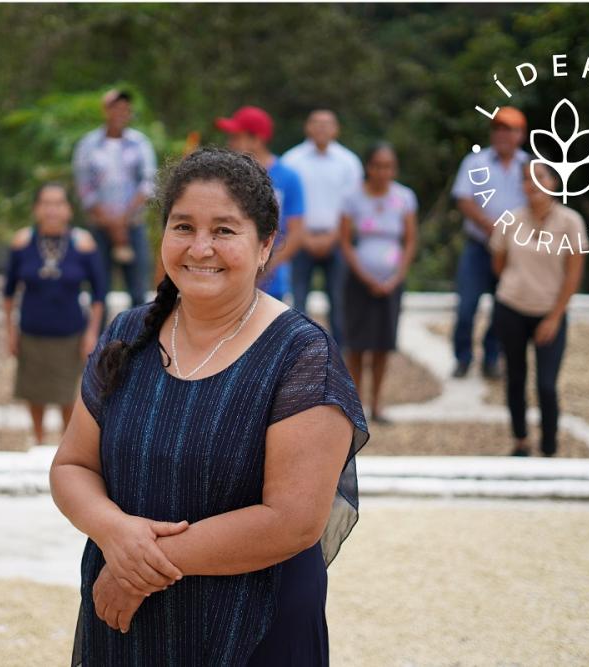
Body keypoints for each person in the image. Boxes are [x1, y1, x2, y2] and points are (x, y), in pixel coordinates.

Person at [50, 147, 368, 665]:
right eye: (183, 227)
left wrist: (138, 568)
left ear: (265, 245)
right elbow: (72, 465)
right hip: (128, 626)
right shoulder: (128, 334)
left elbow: (292, 521)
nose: (200, 248)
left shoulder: (302, 355)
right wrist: (114, 532)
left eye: (224, 230)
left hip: (252, 627)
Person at [490, 162, 587, 457]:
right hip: (511, 309)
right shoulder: (511, 221)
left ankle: (549, 445)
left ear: (555, 183)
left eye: (540, 177)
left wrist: (555, 316)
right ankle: (520, 440)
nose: (532, 184)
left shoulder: (571, 221)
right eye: (527, 179)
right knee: (515, 377)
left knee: (546, 384)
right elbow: (499, 263)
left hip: (550, 313)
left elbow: (573, 274)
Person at [3, 183, 107, 446]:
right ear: (36, 208)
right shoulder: (23, 241)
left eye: (58, 203)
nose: (52, 210)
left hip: (70, 332)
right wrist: (10, 332)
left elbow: (98, 294)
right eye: (46, 203)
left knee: (67, 394)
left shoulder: (82, 243)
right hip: (31, 330)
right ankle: (37, 440)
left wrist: (92, 333)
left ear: (69, 209)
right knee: (33, 390)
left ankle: (66, 446)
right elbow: (8, 292)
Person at [340, 143, 419, 424]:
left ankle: (378, 402)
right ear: (368, 167)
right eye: (378, 165)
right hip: (360, 279)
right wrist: (365, 276)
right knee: (358, 344)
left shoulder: (405, 197)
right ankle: (356, 402)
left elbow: (409, 240)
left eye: (388, 166)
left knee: (384, 344)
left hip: (391, 280)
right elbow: (346, 242)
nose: (383, 172)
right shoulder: (352, 197)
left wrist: (396, 277)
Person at [450, 106, 529, 378]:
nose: (502, 135)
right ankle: (462, 357)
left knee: (503, 307)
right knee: (466, 306)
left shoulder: (528, 165)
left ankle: (492, 357)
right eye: (498, 128)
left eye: (509, 129)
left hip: (512, 250)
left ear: (520, 134)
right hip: (478, 245)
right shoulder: (475, 162)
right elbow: (463, 199)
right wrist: (491, 226)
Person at [72, 89, 156, 318]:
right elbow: (84, 187)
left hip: (133, 224)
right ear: (105, 110)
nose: (120, 113)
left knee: (138, 289)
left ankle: (138, 341)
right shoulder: (88, 145)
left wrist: (123, 219)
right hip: (99, 225)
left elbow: (148, 183)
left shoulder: (139, 143)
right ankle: (98, 343)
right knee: (99, 287)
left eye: (125, 109)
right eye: (115, 108)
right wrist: (110, 222)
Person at [282, 109, 363, 343]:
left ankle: (339, 354)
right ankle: (298, 350)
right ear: (307, 127)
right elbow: (284, 204)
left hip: (337, 240)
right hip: (299, 240)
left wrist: (335, 236)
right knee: (298, 300)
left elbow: (355, 205)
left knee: (338, 301)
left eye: (327, 124)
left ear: (336, 129)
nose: (321, 128)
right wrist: (303, 237)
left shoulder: (349, 162)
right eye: (316, 123)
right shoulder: (292, 160)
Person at [216, 105, 304, 302]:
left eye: (236, 137)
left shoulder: (288, 177)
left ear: (256, 139)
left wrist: (266, 265)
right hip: (229, 280)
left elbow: (296, 232)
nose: (230, 144)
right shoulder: (225, 177)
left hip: (271, 283)